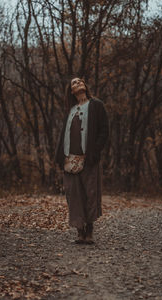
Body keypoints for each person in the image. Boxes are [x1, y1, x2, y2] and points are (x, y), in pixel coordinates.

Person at [55, 77, 109, 244]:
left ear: (85, 86)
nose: (77, 83)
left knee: (90, 194)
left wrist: (94, 152)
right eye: (73, 83)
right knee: (74, 195)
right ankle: (80, 231)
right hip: (70, 160)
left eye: (79, 81)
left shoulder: (96, 105)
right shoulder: (70, 110)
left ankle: (90, 230)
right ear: (71, 91)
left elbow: (104, 131)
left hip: (88, 159)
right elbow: (63, 135)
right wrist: (60, 157)